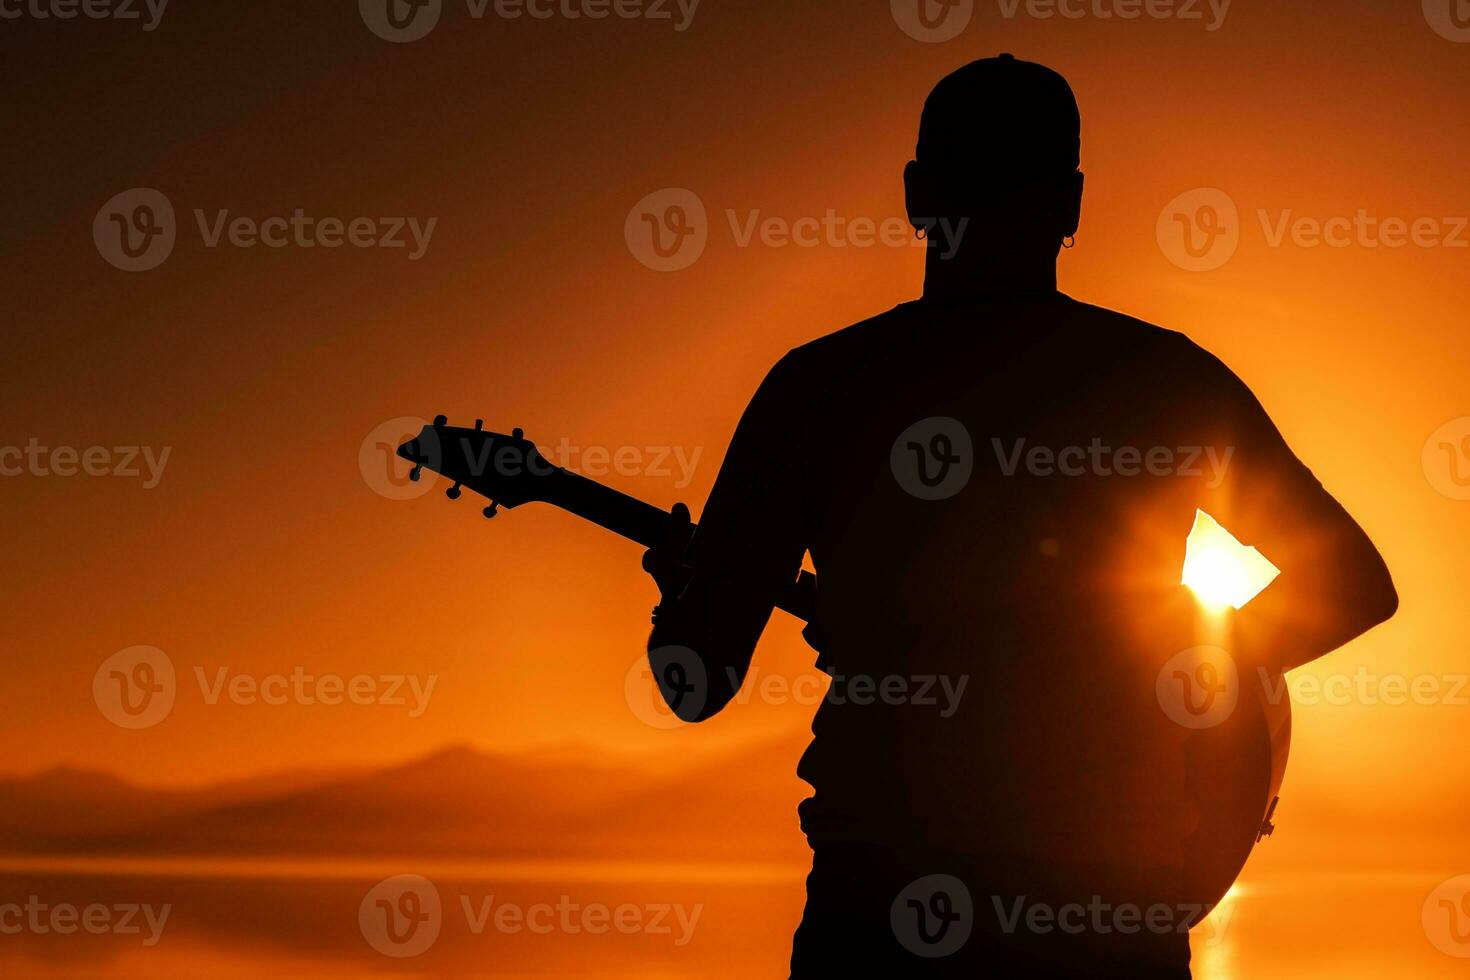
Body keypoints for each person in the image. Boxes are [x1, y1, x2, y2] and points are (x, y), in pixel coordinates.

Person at [641, 54, 1397, 977]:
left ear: (918, 193)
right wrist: (1183, 670)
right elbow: (1355, 583)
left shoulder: (819, 387)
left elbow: (695, 683)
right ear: (1071, 205)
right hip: (1106, 915)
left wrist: (686, 599)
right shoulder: (1162, 379)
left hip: (880, 911)